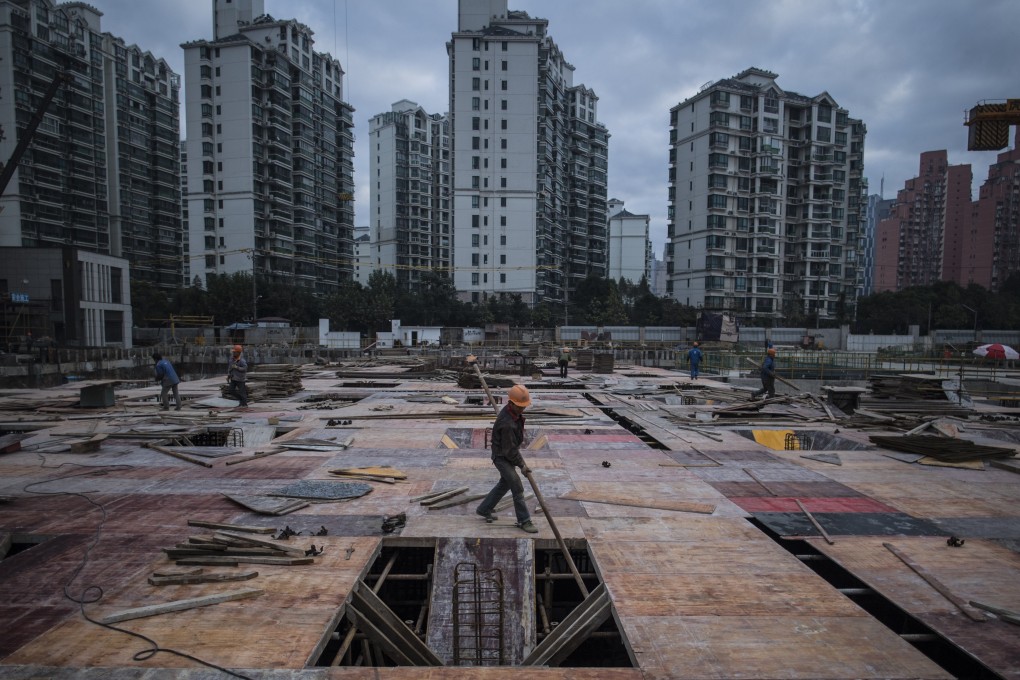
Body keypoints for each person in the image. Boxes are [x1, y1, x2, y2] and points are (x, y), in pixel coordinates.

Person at [476, 384, 539, 534]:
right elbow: (510, 451)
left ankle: (484, 509)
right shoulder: (507, 424)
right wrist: (522, 466)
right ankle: (524, 520)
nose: (522, 409)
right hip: (501, 457)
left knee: (504, 484)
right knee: (517, 486)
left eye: (523, 406)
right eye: (519, 406)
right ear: (510, 403)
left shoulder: (511, 413)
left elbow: (511, 449)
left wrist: (519, 461)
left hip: (507, 452)